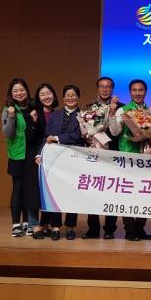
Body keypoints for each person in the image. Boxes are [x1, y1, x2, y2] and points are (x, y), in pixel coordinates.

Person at [108, 79, 151, 241]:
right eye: (134, 90)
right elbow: (114, 132)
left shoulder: (149, 110)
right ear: (130, 92)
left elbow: (150, 132)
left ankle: (140, 228)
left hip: (144, 158)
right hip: (127, 156)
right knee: (128, 195)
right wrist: (112, 114)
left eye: (141, 90)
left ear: (145, 92)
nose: (137, 93)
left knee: (144, 194)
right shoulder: (123, 110)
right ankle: (130, 230)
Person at [81, 76, 124, 240]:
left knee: (112, 192)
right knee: (93, 191)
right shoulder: (90, 108)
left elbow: (117, 132)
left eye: (108, 87)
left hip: (113, 154)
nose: (105, 89)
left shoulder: (121, 108)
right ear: (97, 88)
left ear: (112, 89)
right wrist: (87, 137)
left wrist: (112, 112)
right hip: (94, 154)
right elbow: (85, 129)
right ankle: (93, 228)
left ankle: (110, 229)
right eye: (101, 86)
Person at [42, 84, 84, 240]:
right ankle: (56, 226)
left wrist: (57, 138)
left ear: (78, 97)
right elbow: (47, 135)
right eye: (68, 95)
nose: (70, 98)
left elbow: (78, 136)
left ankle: (71, 226)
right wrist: (41, 152)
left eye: (73, 95)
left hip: (75, 159)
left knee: (73, 193)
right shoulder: (55, 115)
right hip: (56, 160)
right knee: (55, 192)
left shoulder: (84, 115)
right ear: (63, 98)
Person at [1, 78, 40, 237]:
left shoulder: (33, 107)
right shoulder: (8, 109)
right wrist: (11, 116)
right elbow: (7, 134)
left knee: (30, 188)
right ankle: (16, 224)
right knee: (18, 189)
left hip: (32, 154)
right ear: (11, 93)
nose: (19, 93)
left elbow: (36, 132)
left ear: (27, 91)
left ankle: (27, 223)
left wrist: (34, 121)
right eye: (15, 91)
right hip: (17, 154)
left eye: (22, 90)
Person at [31, 83, 61, 239]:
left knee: (50, 191)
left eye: (48, 93)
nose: (46, 97)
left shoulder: (58, 114)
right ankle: (35, 225)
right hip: (36, 157)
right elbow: (32, 137)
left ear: (54, 95)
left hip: (53, 157)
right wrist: (34, 122)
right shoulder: (34, 113)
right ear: (38, 97)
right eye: (42, 94)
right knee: (35, 192)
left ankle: (46, 224)